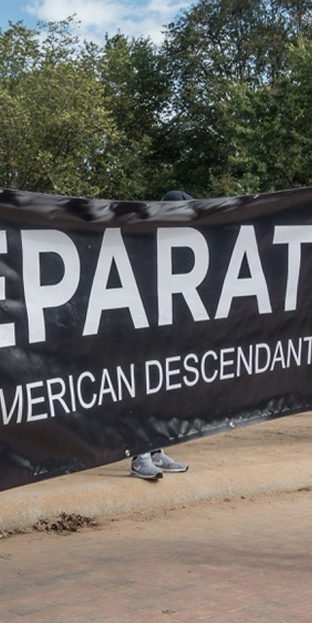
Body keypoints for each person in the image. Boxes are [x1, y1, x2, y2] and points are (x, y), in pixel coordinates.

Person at [131, 189, 194, 480]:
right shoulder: (142, 242)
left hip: (170, 331)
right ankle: (139, 456)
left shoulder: (186, 247)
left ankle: (156, 451)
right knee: (143, 388)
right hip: (141, 332)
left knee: (164, 389)